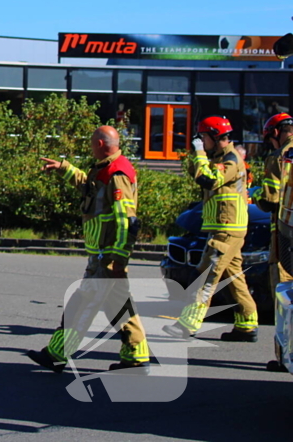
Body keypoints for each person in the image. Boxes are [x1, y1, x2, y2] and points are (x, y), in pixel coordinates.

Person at [26, 126, 150, 373]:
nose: (90, 147)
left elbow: (127, 221)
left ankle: (58, 353)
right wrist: (65, 168)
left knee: (81, 304)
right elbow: (89, 187)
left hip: (108, 256)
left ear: (102, 145)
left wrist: (117, 258)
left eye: (92, 143)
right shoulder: (104, 168)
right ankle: (136, 356)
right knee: (119, 306)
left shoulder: (118, 173)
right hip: (102, 255)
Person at [164, 116, 258, 341]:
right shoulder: (219, 156)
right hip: (224, 228)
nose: (201, 141)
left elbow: (208, 180)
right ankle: (247, 324)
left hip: (227, 229)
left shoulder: (231, 159)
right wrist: (198, 154)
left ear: (215, 138)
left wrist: (199, 154)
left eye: (203, 137)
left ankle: (188, 324)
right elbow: (195, 173)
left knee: (205, 275)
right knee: (234, 278)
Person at [256, 113, 293, 370]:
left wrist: (257, 194)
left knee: (283, 295)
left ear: (277, 133)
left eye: (270, 138)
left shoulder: (280, 157)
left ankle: (283, 357)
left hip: (284, 237)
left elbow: (269, 199)